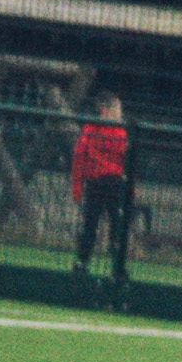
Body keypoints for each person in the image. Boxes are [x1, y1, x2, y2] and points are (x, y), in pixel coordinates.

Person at [70, 93, 129, 280]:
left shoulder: (116, 131)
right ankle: (85, 261)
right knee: (92, 225)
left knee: (114, 227)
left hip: (111, 183)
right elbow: (79, 158)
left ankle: (112, 265)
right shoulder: (97, 130)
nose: (119, 114)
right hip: (100, 182)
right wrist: (77, 185)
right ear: (105, 109)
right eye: (116, 110)